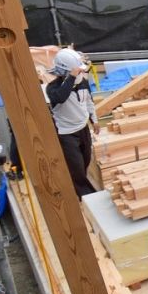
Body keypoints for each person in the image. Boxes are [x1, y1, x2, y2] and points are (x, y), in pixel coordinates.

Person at [44, 47, 98, 197]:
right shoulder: (53, 88)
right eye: (78, 71)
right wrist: (72, 78)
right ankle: (86, 195)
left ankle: (81, 185)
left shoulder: (83, 84)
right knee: (76, 166)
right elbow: (61, 97)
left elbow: (89, 102)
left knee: (86, 160)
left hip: (83, 128)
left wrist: (94, 120)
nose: (81, 73)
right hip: (67, 133)